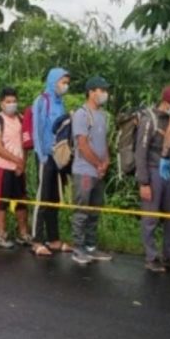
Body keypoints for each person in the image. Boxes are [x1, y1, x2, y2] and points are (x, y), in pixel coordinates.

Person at [136, 85, 170, 272]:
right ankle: (151, 256)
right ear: (166, 102)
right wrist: (144, 182)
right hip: (153, 170)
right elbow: (141, 152)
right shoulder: (150, 120)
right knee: (151, 217)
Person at [70, 76, 113, 265]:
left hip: (99, 171)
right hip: (85, 171)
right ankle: (77, 247)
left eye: (105, 90)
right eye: (101, 90)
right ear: (91, 92)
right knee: (82, 211)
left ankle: (90, 246)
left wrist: (106, 162)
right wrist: (98, 164)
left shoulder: (102, 115)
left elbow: (104, 143)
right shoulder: (82, 114)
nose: (105, 94)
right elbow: (83, 145)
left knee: (95, 210)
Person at [31, 67, 72, 257]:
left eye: (67, 82)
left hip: (58, 158)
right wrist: (41, 156)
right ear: (53, 81)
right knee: (42, 198)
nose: (65, 85)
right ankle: (36, 240)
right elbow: (37, 131)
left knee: (54, 199)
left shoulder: (60, 102)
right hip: (45, 157)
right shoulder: (42, 101)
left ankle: (54, 239)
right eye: (62, 81)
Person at [0, 87, 31, 249]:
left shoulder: (21, 119)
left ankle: (23, 233)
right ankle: (1, 234)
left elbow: (25, 145)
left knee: (21, 201)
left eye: (14, 101)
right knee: (1, 203)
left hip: (18, 169)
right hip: (2, 167)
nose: (12, 104)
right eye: (8, 102)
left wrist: (23, 164)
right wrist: (16, 161)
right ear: (1, 104)